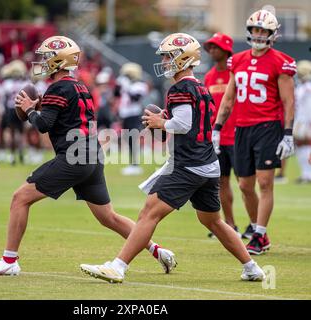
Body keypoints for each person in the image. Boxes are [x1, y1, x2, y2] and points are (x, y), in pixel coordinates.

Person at [0, 36, 176, 276]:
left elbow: (43, 126)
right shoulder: (80, 86)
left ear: (60, 60)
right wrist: (40, 107)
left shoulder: (57, 87)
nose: (44, 61)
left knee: (20, 198)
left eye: (48, 56)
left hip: (74, 157)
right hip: (92, 156)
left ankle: (9, 261)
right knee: (108, 217)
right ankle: (158, 251)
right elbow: (67, 117)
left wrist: (30, 108)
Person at [80, 33, 265, 283]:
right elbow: (195, 120)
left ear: (184, 58)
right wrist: (166, 119)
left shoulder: (180, 87)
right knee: (214, 221)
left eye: (169, 56)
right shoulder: (199, 86)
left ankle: (118, 266)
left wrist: (161, 122)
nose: (165, 61)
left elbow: (184, 124)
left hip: (188, 165)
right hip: (207, 163)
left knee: (148, 214)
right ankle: (252, 267)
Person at [212, 9, 296, 255]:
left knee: (264, 182)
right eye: (256, 30)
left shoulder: (281, 61)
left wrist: (288, 133)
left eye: (264, 31)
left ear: (272, 34)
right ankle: (261, 232)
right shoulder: (237, 60)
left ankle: (258, 234)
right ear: (249, 31)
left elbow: (288, 101)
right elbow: (228, 98)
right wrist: (217, 128)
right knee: (245, 185)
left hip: (268, 126)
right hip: (241, 127)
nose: (259, 35)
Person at [203, 32, 241, 238]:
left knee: (245, 184)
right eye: (210, 47)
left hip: (237, 136)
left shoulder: (235, 73)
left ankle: (255, 225)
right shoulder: (209, 76)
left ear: (226, 50)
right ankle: (230, 225)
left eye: (215, 47)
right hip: (217, 138)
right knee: (221, 182)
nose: (212, 50)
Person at [115, 62, 148, 176]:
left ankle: (135, 165)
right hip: (125, 115)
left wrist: (127, 86)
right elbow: (116, 94)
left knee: (132, 139)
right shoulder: (125, 83)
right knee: (128, 140)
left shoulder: (139, 85)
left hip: (134, 115)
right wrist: (118, 85)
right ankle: (132, 164)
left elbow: (135, 99)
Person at [293, 60, 311, 183]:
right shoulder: (302, 87)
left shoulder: (307, 88)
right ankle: (306, 174)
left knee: (305, 145)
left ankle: (308, 174)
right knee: (300, 146)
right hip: (301, 120)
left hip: (305, 121)